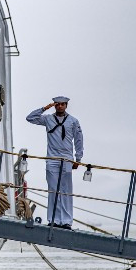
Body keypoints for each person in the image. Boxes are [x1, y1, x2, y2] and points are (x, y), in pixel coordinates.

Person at [26, 96, 84, 229]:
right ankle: (54, 220)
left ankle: (66, 221)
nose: (60, 107)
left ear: (66, 106)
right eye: (57, 104)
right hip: (52, 159)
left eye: (62, 104)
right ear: (54, 105)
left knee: (66, 190)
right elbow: (30, 118)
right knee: (53, 190)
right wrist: (44, 108)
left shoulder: (73, 121)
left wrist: (78, 159)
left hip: (67, 158)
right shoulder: (48, 119)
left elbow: (79, 140)